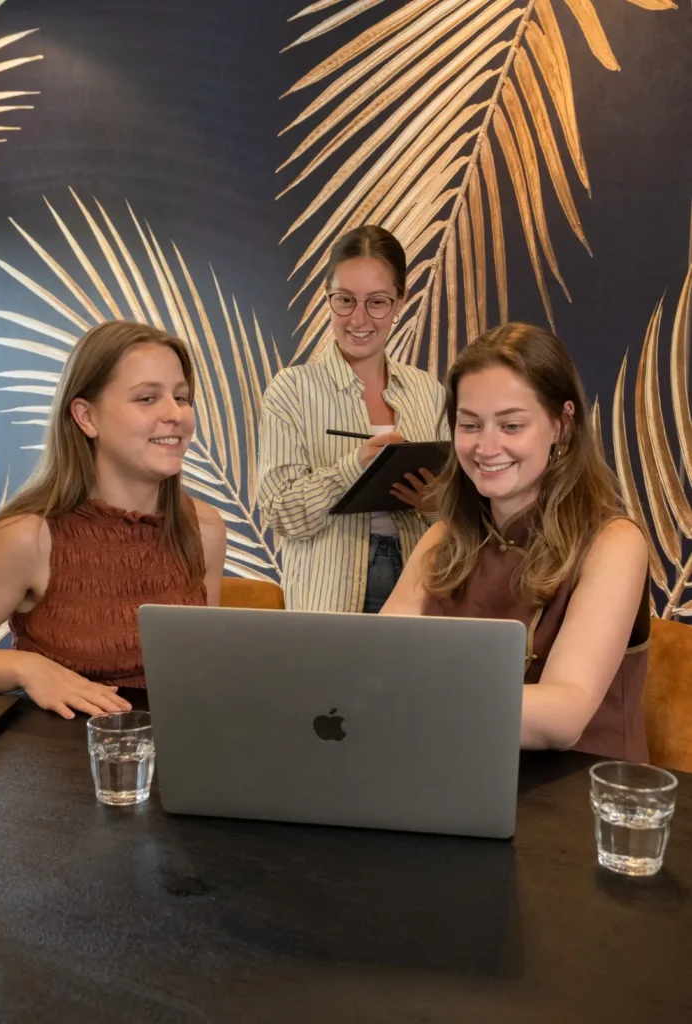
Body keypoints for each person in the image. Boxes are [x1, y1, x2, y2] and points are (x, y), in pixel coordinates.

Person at [0, 320, 226, 719]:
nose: (176, 414)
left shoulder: (205, 528)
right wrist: (27, 668)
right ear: (87, 417)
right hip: (60, 763)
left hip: (180, 757)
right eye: (147, 398)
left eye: (182, 397)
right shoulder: (27, 536)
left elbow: (203, 670)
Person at [382, 322, 650, 760]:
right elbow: (375, 659)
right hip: (454, 770)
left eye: (510, 425)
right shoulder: (440, 538)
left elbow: (564, 715)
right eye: (470, 424)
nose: (486, 447)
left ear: (562, 425)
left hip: (576, 796)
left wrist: (407, 699)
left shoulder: (615, 543)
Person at [258, 225, 447, 612]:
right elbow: (279, 512)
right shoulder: (291, 390)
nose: (358, 319)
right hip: (328, 598)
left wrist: (433, 503)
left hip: (418, 589)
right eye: (345, 300)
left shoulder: (428, 392)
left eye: (377, 302)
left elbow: (460, 518)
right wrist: (353, 468)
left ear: (400, 302)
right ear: (328, 297)